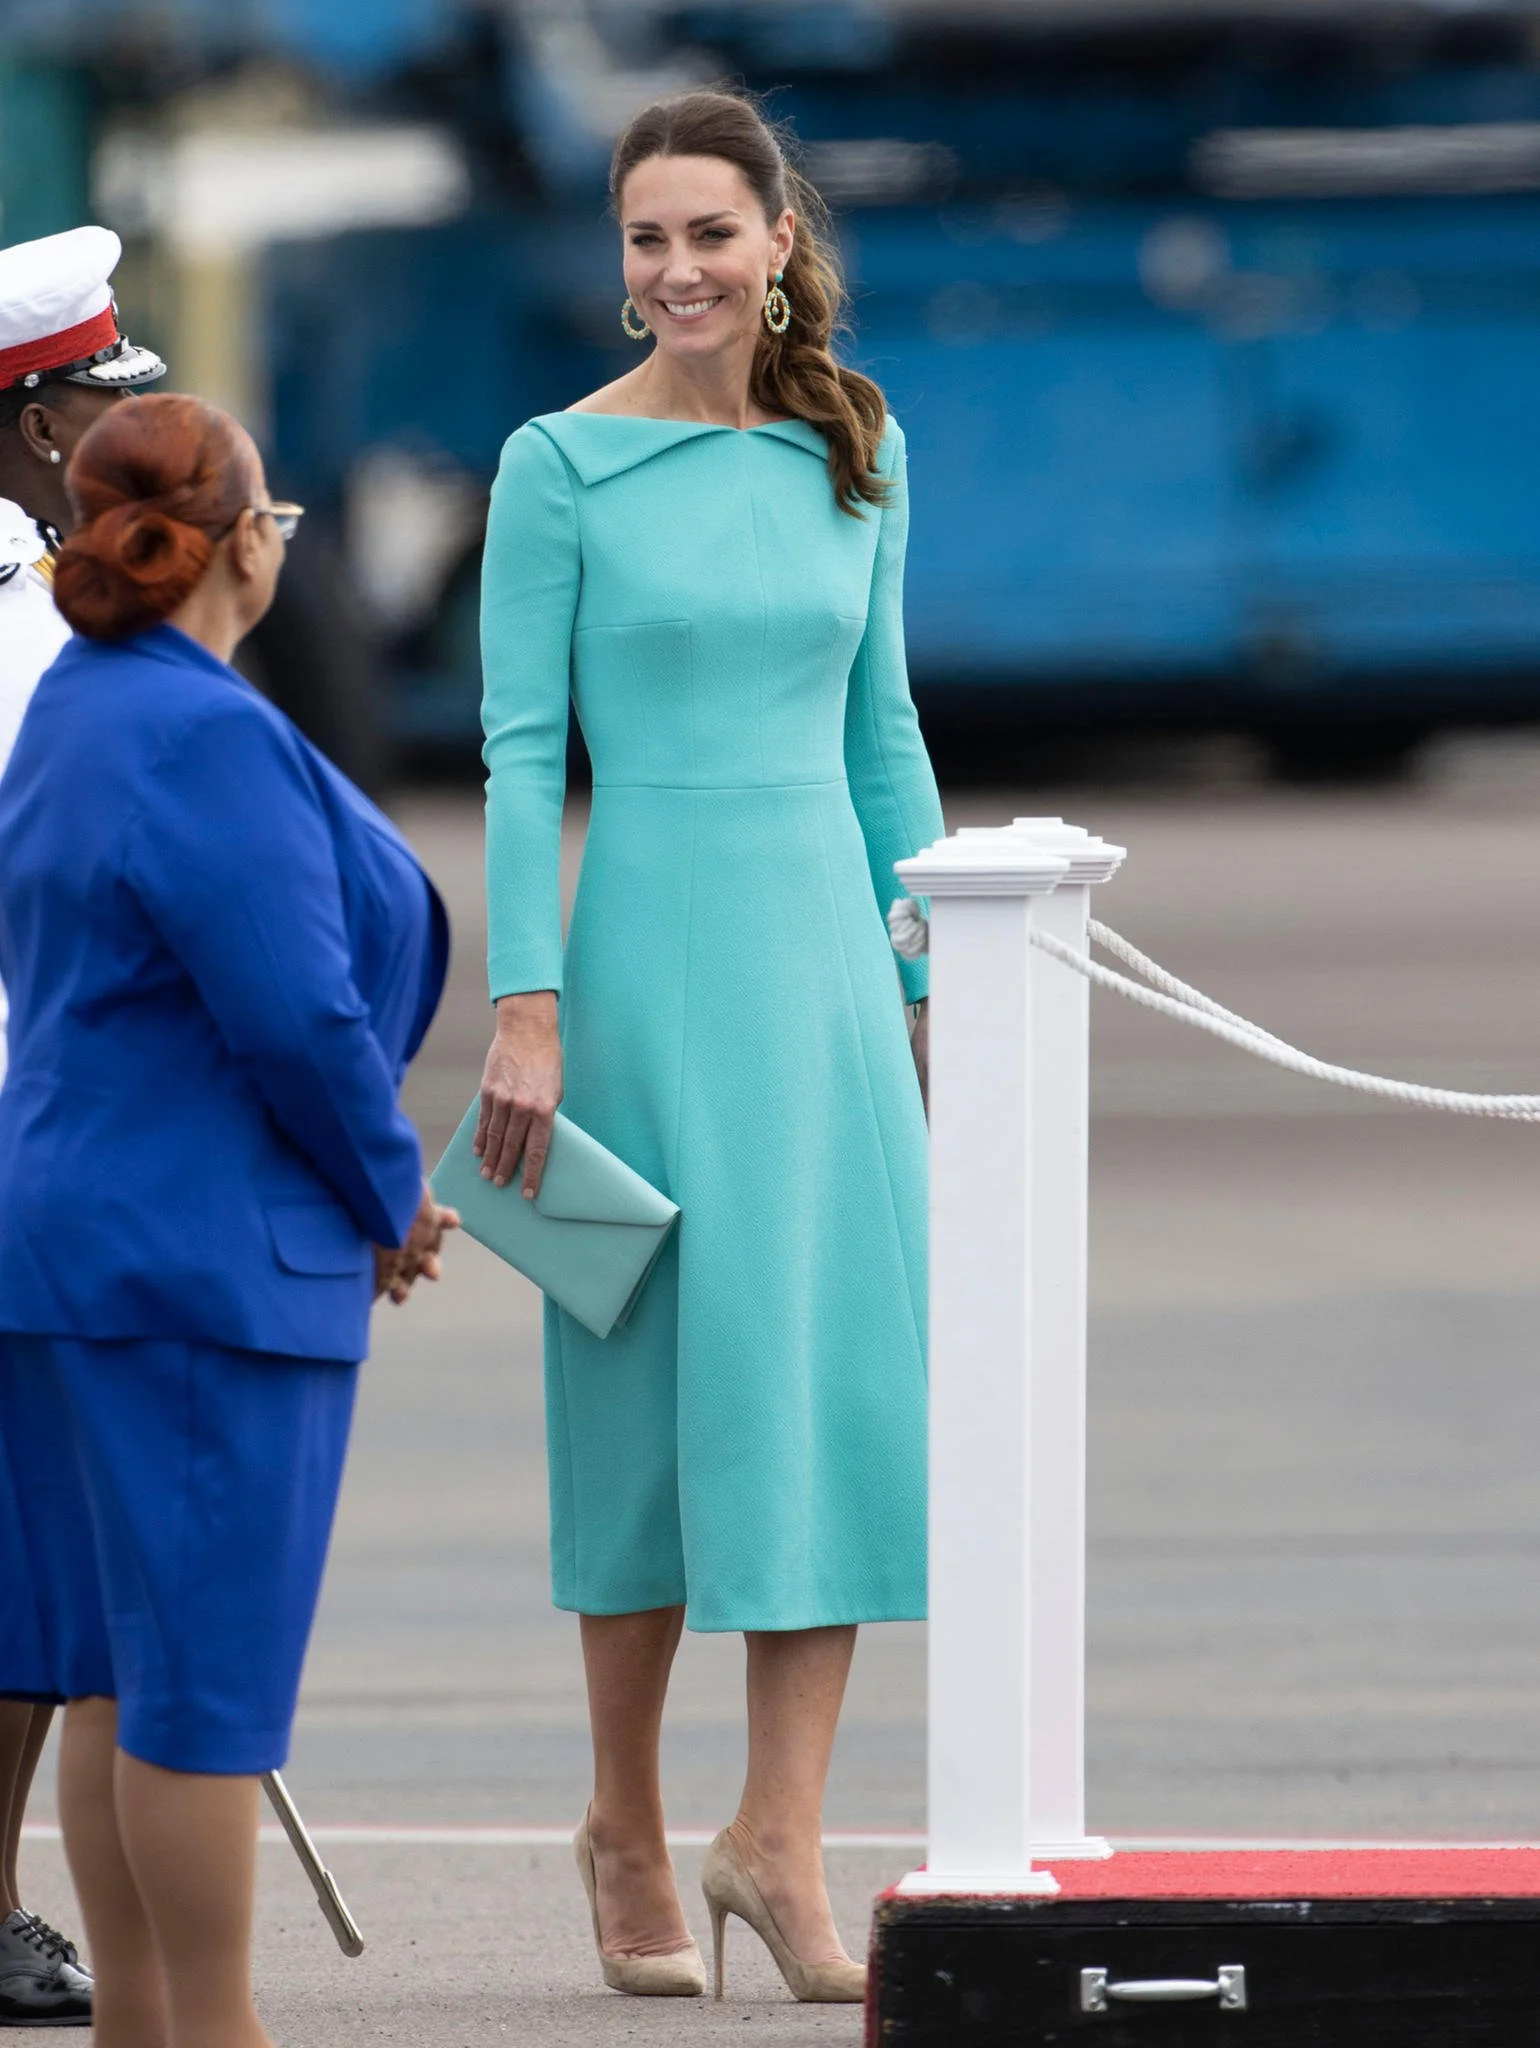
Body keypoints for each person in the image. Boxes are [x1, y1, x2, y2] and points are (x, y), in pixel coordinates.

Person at [476, 88, 942, 2003]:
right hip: (644, 961)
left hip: (824, 964)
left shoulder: (859, 444)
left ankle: (781, 1838)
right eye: (645, 240)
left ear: (778, 244)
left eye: (710, 236)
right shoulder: (553, 469)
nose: (676, 271)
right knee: (650, 1409)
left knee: (821, 1398)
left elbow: (882, 730)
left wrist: (929, 973)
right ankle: (626, 1819)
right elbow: (520, 752)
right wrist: (524, 1001)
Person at [0, 391, 455, 2048]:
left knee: (123, 1670)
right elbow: (297, 1015)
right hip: (196, 1262)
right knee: (200, 1695)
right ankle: (215, 2032)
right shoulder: (200, 733)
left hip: (75, 1248)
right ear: (246, 543)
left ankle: (143, 2023)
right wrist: (392, 1192)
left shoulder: (80, 703)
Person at [0, 221, 166, 2030]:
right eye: (108, 412)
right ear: (48, 428)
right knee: (37, 1548)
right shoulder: (37, 626)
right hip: (34, 1113)